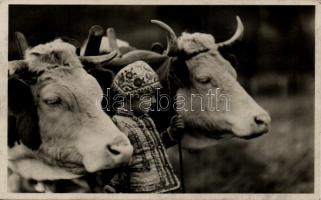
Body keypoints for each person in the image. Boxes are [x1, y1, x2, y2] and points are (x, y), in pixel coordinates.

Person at [105, 60, 184, 193]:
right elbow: (119, 162)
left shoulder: (146, 119)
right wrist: (113, 185)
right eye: (148, 96)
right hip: (143, 190)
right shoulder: (118, 123)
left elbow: (156, 146)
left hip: (167, 186)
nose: (153, 101)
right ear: (131, 97)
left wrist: (172, 131)